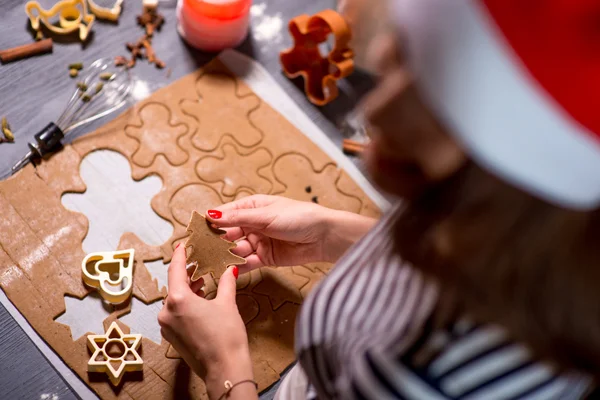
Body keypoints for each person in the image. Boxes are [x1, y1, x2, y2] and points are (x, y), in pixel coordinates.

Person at [158, 0, 600, 398]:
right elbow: (443, 261)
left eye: (439, 111)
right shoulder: (491, 214)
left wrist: (225, 369)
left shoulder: (428, 377)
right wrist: (332, 234)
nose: (374, 112)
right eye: (406, 54)